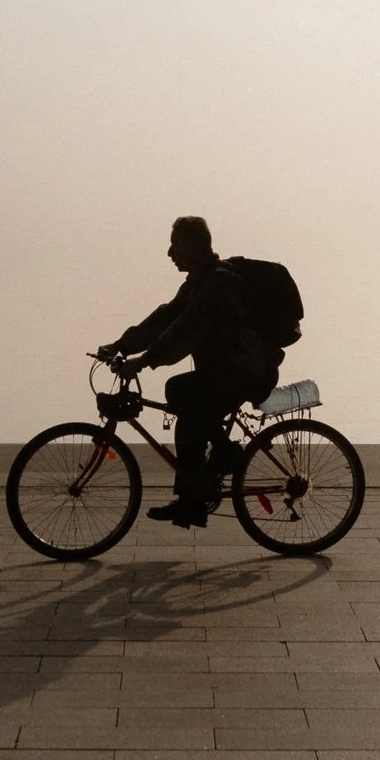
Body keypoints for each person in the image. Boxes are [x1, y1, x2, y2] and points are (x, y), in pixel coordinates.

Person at [98, 215, 281, 528]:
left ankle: (223, 458)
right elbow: (166, 317)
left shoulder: (219, 284)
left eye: (176, 244)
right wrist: (120, 345)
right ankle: (192, 498)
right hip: (224, 373)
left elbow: (184, 328)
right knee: (185, 405)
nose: (171, 253)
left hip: (243, 374)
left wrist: (144, 360)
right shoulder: (201, 281)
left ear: (197, 245)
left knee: (180, 392)